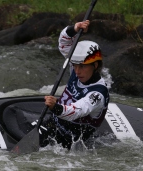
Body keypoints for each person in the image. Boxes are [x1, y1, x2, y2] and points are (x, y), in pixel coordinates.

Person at [40, 20, 110, 149]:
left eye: (82, 67)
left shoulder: (98, 93)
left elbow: (76, 111)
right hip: (53, 124)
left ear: (95, 65)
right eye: (75, 65)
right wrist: (75, 28)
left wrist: (56, 107)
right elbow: (64, 43)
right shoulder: (77, 66)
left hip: (68, 143)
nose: (76, 71)